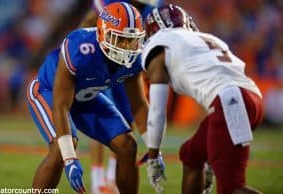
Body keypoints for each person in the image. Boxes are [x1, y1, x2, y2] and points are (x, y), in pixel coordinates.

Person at [26, 2, 149, 194]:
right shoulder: (80, 48)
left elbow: (139, 105)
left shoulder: (135, 59)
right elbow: (60, 104)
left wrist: (153, 145)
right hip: (48, 91)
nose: (126, 48)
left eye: (131, 40)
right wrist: (70, 159)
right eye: (120, 39)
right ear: (103, 34)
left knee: (127, 146)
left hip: (84, 96)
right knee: (61, 150)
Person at [141, 4, 264, 194]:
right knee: (191, 155)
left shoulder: (159, 44)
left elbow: (157, 110)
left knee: (231, 189)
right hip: (251, 97)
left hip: (230, 101)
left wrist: (153, 154)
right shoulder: (207, 37)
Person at [79, 1, 164, 193]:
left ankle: (111, 177)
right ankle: (97, 179)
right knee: (103, 115)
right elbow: (89, 24)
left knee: (127, 120)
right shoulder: (110, 6)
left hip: (125, 63)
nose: (142, 10)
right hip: (101, 63)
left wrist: (154, 147)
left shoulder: (152, 9)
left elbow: (140, 107)